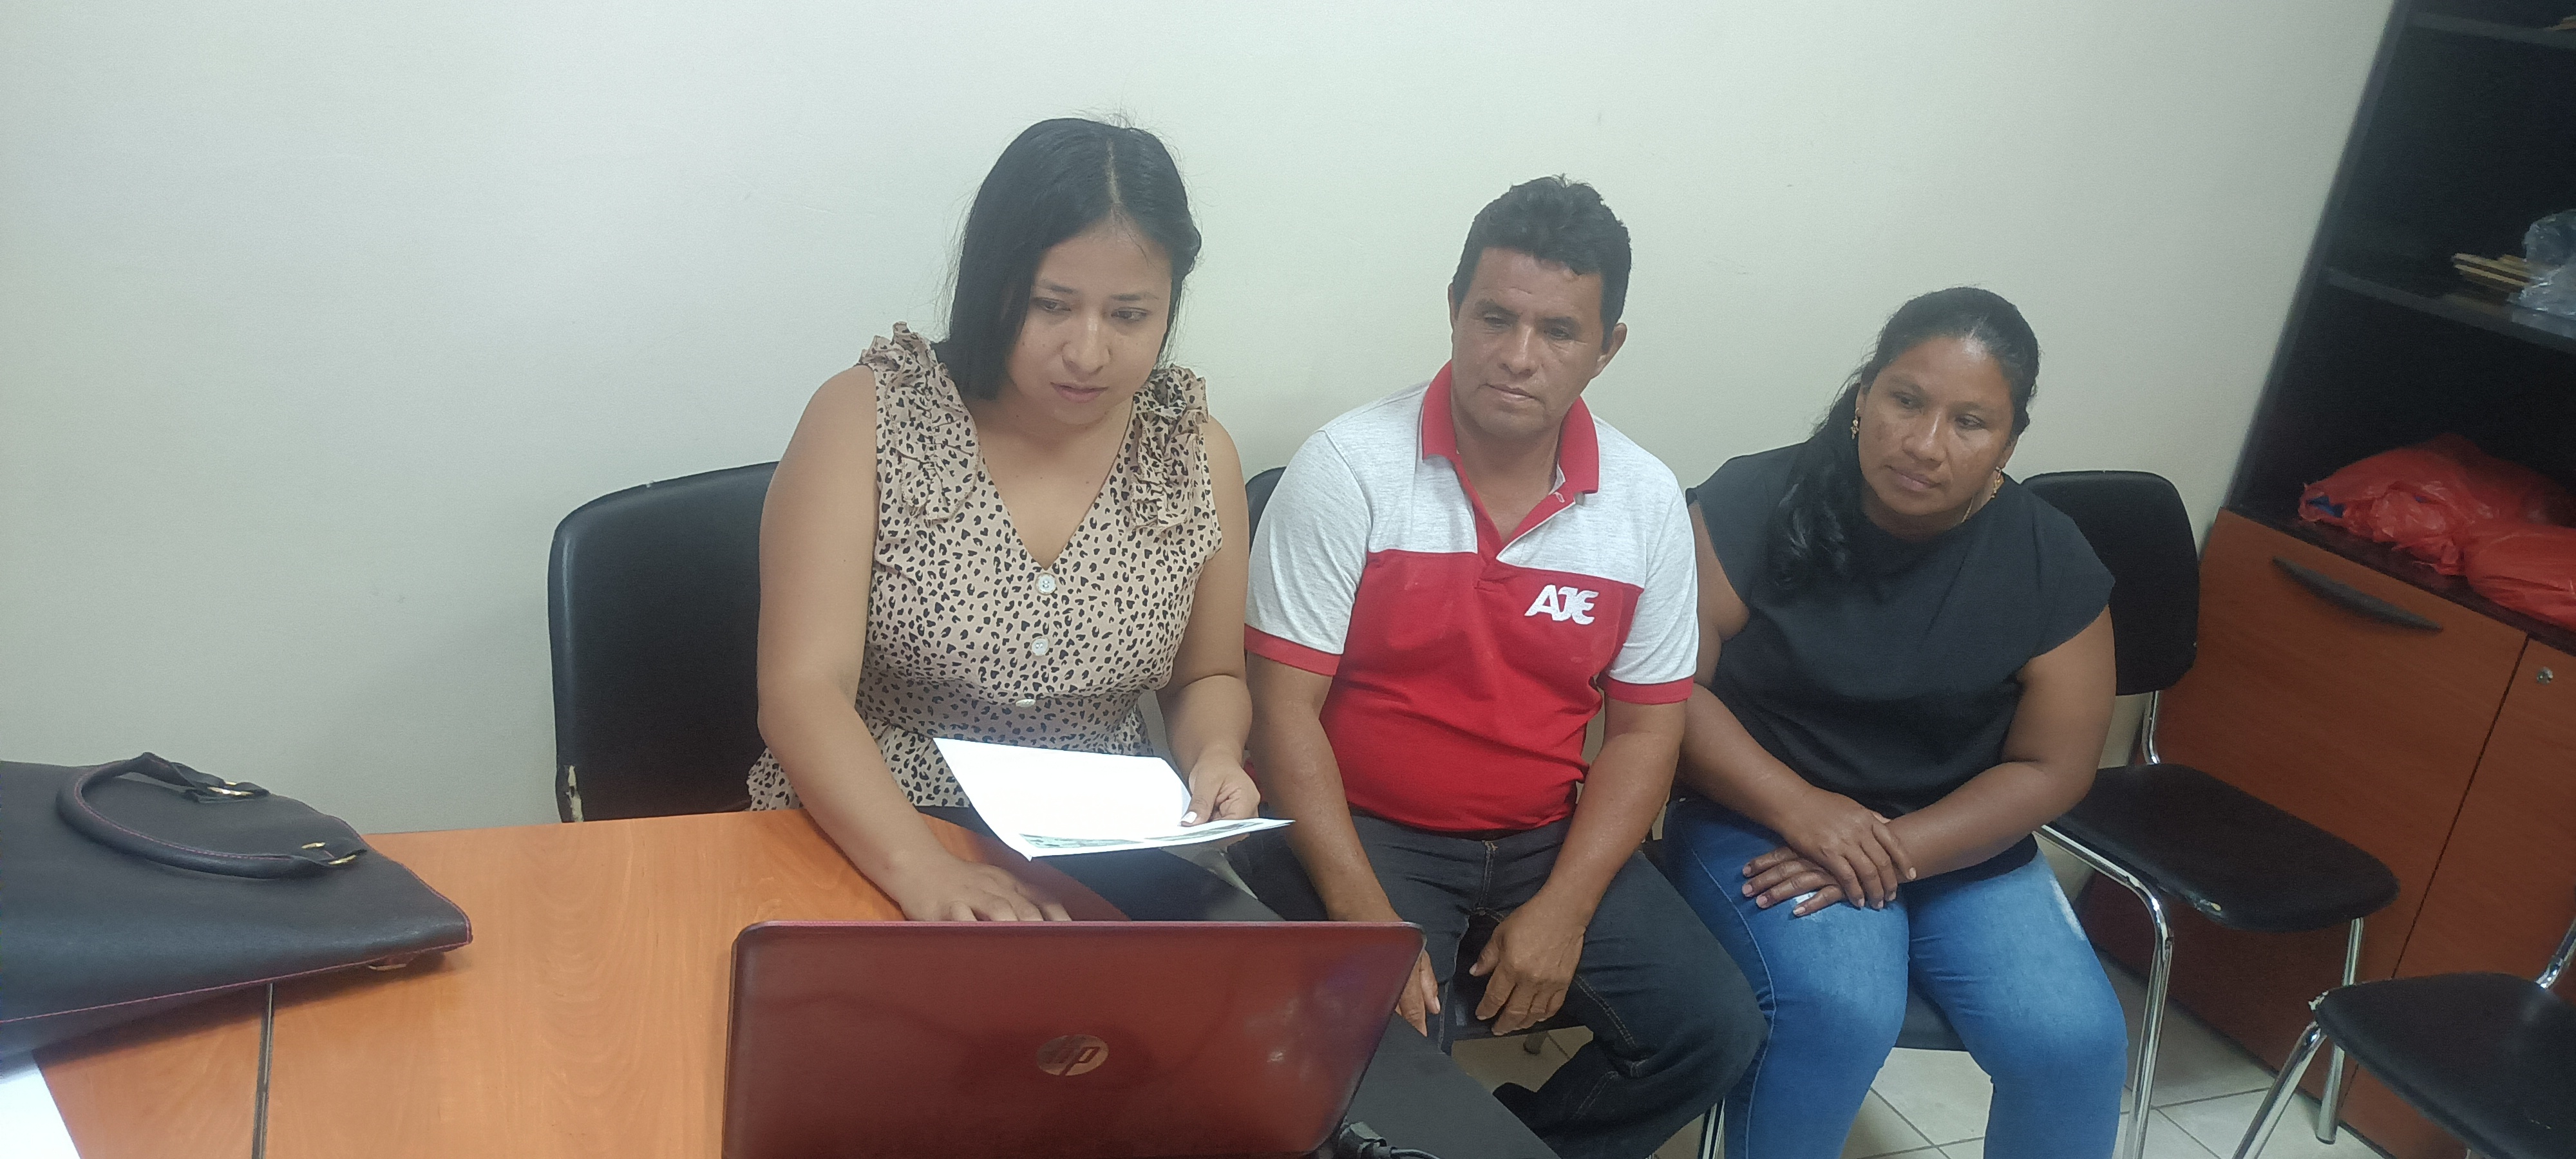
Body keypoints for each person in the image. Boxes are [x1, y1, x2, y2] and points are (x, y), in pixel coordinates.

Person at [1229, 176, 1763, 1159]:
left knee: (1714, 1029)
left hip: (1540, 837)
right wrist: (1367, 921)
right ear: (1453, 309)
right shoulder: (1348, 467)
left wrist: (1565, 908)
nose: (1518, 356)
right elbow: (1282, 713)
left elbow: (1647, 732)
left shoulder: (1644, 501)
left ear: (1607, 348)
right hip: (1367, 826)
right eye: (1494, 318)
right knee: (1393, 1061)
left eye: (1558, 332)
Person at [749, 118, 1258, 922]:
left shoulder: (1191, 450)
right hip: (877, 820)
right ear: (993, 285)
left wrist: (1216, 754)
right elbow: (802, 688)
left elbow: (1208, 677)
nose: (1087, 352)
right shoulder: (871, 417)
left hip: (1104, 843)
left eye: (1129, 315)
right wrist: (922, 870)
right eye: (1051, 306)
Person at [1662, 287, 2127, 1158]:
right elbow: (1670, 687)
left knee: (2075, 1044)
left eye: (1970, 422)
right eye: (1906, 401)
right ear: (1863, 395)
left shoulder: (2050, 559)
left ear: (2010, 442)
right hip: (1758, 817)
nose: (1923, 443)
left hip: (1956, 839)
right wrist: (1805, 810)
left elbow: (2053, 767)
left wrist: (1896, 847)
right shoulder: (1752, 499)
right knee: (1840, 1007)